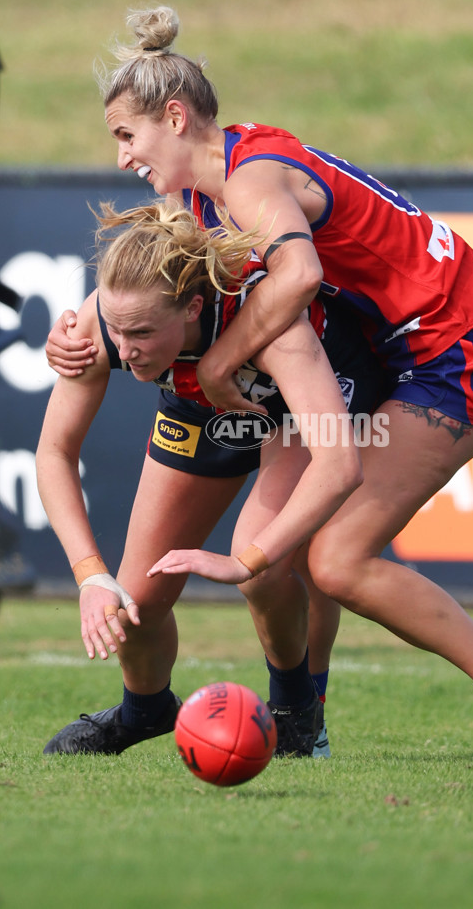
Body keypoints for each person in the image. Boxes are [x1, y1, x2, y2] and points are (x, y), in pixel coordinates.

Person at [46, 3, 473, 764]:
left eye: (127, 135)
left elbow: (298, 275)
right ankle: (299, 720)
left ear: (176, 117)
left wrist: (221, 363)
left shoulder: (249, 178)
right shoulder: (198, 196)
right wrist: (78, 330)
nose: (122, 155)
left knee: (333, 557)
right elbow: (153, 281)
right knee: (306, 555)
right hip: (405, 345)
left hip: (457, 344)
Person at [40, 200, 384, 759]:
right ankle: (145, 710)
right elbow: (54, 452)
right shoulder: (103, 324)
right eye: (116, 330)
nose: (124, 350)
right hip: (200, 408)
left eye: (142, 333)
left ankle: (296, 713)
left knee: (261, 566)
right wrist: (89, 575)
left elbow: (339, 465)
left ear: (193, 307)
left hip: (301, 406)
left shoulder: (275, 329)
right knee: (133, 605)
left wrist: (244, 562)